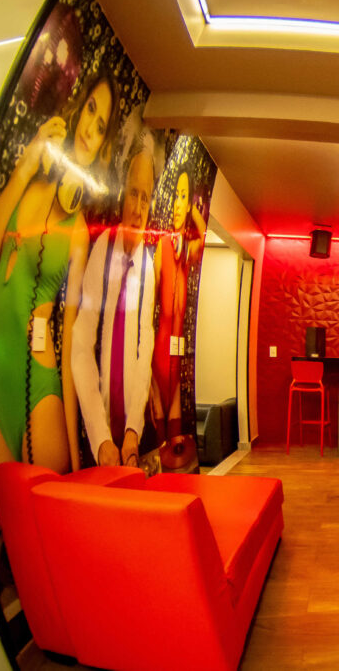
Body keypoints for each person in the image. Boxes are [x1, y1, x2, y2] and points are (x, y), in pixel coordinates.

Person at [0, 73, 119, 484]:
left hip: (38, 387)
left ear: (102, 145)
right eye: (90, 110)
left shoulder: (78, 234)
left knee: (40, 513)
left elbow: (72, 341)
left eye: (101, 127)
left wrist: (77, 457)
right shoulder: (24, 187)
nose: (89, 130)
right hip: (3, 386)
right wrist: (25, 167)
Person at [72, 129, 159, 468]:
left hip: (133, 433)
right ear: (122, 195)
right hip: (99, 432)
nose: (138, 209)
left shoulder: (147, 266)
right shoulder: (102, 251)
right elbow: (82, 342)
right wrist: (101, 438)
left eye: (145, 198)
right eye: (133, 194)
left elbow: (144, 348)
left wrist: (133, 430)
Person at [150, 164, 206, 470]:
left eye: (183, 196)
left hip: (177, 353)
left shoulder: (186, 254)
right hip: (159, 351)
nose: (177, 203)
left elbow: (203, 234)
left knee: (176, 441)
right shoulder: (162, 246)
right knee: (160, 434)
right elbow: (150, 306)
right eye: (176, 195)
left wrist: (192, 207)